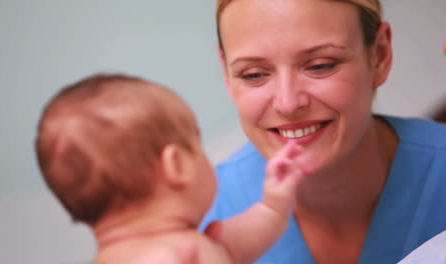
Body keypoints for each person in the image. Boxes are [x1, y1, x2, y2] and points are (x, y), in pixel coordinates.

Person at [200, 0, 446, 263]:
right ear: (226, 72)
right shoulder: (196, 221)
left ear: (379, 55)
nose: (288, 103)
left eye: (320, 65)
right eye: (253, 74)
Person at [34, 74, 307, 264]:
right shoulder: (167, 257)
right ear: (175, 165)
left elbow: (248, 237)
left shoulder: (198, 243)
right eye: (195, 144)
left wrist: (274, 204)